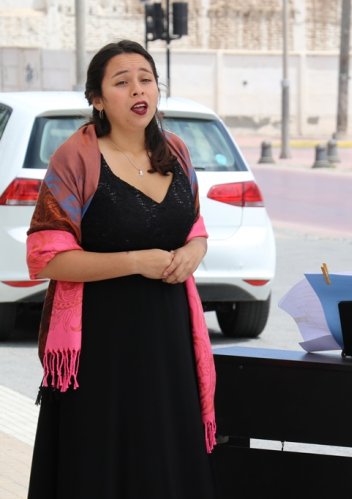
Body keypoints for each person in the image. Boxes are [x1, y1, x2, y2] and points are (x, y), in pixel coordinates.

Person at [26, 40, 216, 498]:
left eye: (146, 79)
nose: (138, 89)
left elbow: (195, 227)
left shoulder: (177, 151)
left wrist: (195, 251)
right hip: (101, 346)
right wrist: (134, 262)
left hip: (169, 340)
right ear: (97, 98)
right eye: (122, 81)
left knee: (165, 456)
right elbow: (45, 256)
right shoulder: (76, 157)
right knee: (102, 463)